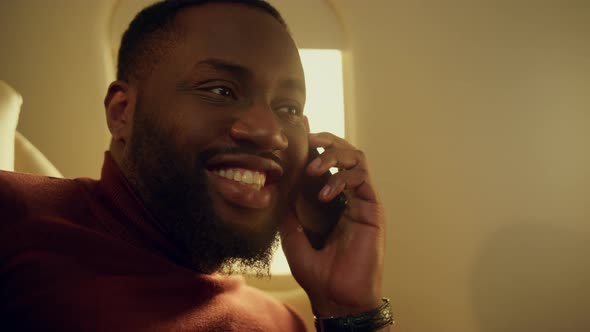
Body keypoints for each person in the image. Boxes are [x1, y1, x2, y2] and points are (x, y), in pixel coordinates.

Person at [0, 0, 392, 330]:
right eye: (220, 90)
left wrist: (350, 312)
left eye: (288, 108)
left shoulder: (281, 322)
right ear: (122, 112)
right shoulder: (14, 217)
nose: (271, 134)